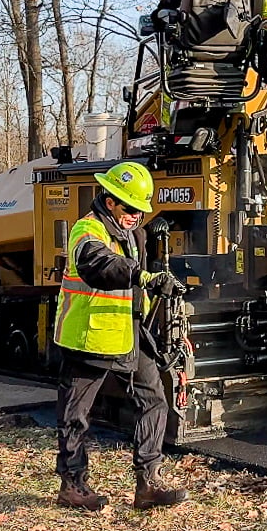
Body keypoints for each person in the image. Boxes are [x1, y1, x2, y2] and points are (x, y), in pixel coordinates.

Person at [53, 161, 189, 511]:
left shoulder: (134, 233)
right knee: (76, 415)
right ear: (110, 200)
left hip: (129, 334)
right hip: (88, 339)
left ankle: (148, 482)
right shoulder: (87, 231)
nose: (135, 215)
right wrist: (145, 277)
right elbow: (101, 266)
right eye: (129, 208)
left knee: (155, 400)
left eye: (140, 210)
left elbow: (134, 281)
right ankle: (72, 486)